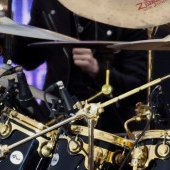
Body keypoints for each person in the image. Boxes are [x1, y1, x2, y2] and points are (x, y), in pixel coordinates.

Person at [12, 0, 148, 133]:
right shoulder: (49, 3)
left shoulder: (127, 11)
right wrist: (7, 31)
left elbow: (138, 87)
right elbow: (30, 60)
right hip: (56, 118)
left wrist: (98, 71)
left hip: (108, 123)